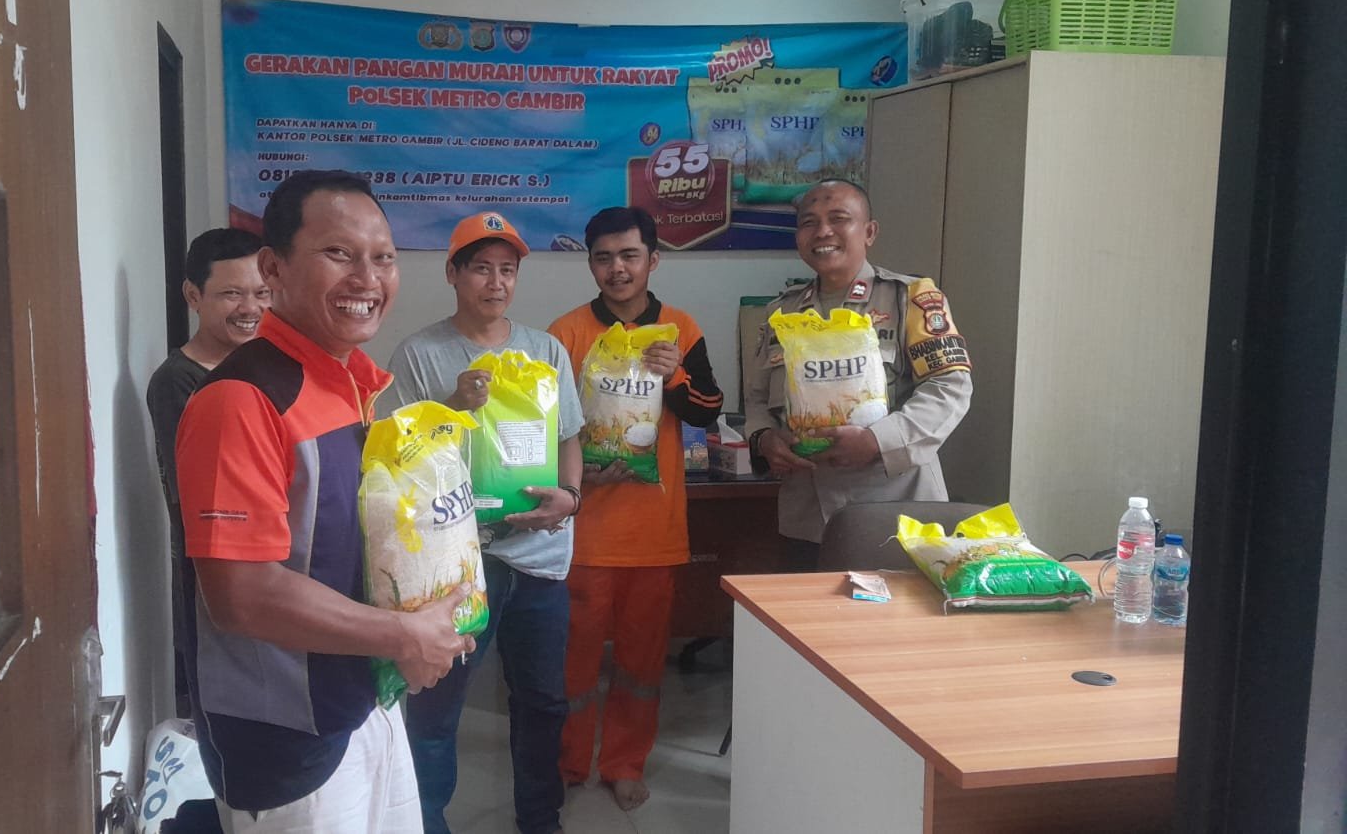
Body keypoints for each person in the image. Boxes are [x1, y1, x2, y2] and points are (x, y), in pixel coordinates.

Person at [175, 170, 475, 834]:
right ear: (272, 268)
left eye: (383, 258)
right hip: (286, 743)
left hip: (363, 702)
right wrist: (404, 634)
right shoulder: (240, 400)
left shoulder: (350, 385)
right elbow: (241, 595)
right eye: (339, 253)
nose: (368, 278)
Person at [384, 211, 585, 834]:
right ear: (452, 273)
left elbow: (569, 437)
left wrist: (571, 497)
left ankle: (540, 819)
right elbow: (397, 454)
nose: (495, 283)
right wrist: (452, 404)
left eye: (507, 270)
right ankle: (426, 822)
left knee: (543, 701)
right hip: (455, 564)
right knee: (438, 705)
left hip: (540, 558)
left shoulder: (544, 350)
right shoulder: (420, 353)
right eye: (480, 268)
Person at [546, 206, 723, 811]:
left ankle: (624, 762)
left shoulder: (680, 327)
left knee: (641, 665)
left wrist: (675, 378)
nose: (616, 269)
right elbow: (548, 428)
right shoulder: (566, 333)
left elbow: (707, 409)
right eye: (603, 257)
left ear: (653, 259)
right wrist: (580, 474)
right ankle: (568, 763)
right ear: (590, 264)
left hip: (655, 533)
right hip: (584, 534)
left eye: (629, 255)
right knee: (572, 665)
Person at [744, 178, 973, 571]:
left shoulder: (910, 298)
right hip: (807, 517)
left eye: (838, 219)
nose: (823, 232)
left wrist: (877, 440)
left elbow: (950, 387)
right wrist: (764, 439)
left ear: (869, 232)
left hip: (898, 513)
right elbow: (757, 397)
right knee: (805, 611)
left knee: (896, 612)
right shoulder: (780, 312)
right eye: (809, 222)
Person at [147, 227, 268, 716]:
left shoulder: (268, 367)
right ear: (193, 295)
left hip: (278, 574)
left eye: (262, 293)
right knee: (230, 716)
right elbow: (207, 498)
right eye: (231, 294)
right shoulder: (178, 381)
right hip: (219, 583)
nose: (250, 308)